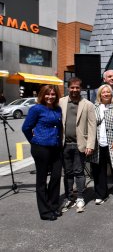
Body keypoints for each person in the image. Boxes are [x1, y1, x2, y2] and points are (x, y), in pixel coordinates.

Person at [22, 85, 63, 221]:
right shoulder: (36, 109)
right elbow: (26, 127)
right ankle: (45, 211)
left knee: (56, 176)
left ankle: (53, 206)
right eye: (47, 94)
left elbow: (59, 128)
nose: (50, 97)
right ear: (42, 95)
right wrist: (33, 141)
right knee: (41, 180)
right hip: (41, 148)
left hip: (56, 148)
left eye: (53, 94)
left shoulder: (58, 109)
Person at [59, 77, 96, 213]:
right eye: (72, 87)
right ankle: (69, 197)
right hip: (64, 145)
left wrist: (90, 145)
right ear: (68, 88)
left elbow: (92, 126)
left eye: (77, 87)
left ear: (81, 89)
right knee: (67, 173)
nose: (74, 90)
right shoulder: (61, 102)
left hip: (80, 144)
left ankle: (80, 197)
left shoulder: (87, 104)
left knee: (79, 172)